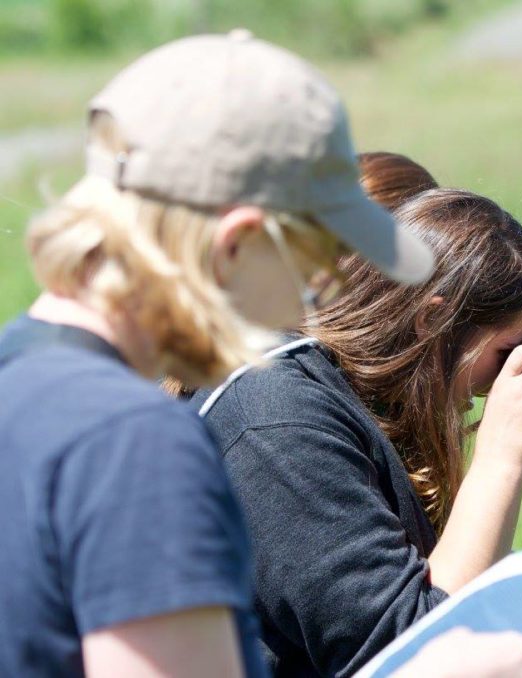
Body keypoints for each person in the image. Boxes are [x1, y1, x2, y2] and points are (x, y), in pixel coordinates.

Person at [0, 31, 456, 678]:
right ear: (236, 243)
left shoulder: (17, 375)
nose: (317, 301)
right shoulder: (136, 441)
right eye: (317, 266)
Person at [194, 181, 522, 677]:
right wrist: (501, 459)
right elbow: (412, 656)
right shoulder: (278, 421)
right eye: (505, 354)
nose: (497, 385)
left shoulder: (343, 396)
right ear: (433, 318)